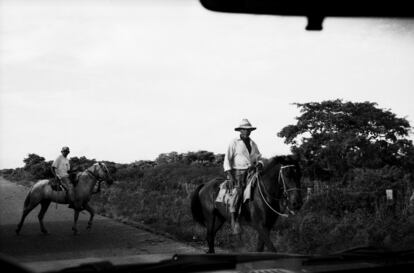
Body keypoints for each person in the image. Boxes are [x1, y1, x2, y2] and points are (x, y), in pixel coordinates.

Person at [223, 119, 263, 235]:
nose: (247, 131)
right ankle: (234, 220)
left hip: (251, 171)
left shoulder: (253, 144)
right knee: (239, 192)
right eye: (244, 129)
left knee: (261, 187)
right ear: (240, 130)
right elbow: (227, 159)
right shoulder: (234, 142)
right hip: (238, 172)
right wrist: (230, 175)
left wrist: (260, 163)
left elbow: (258, 157)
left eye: (249, 130)